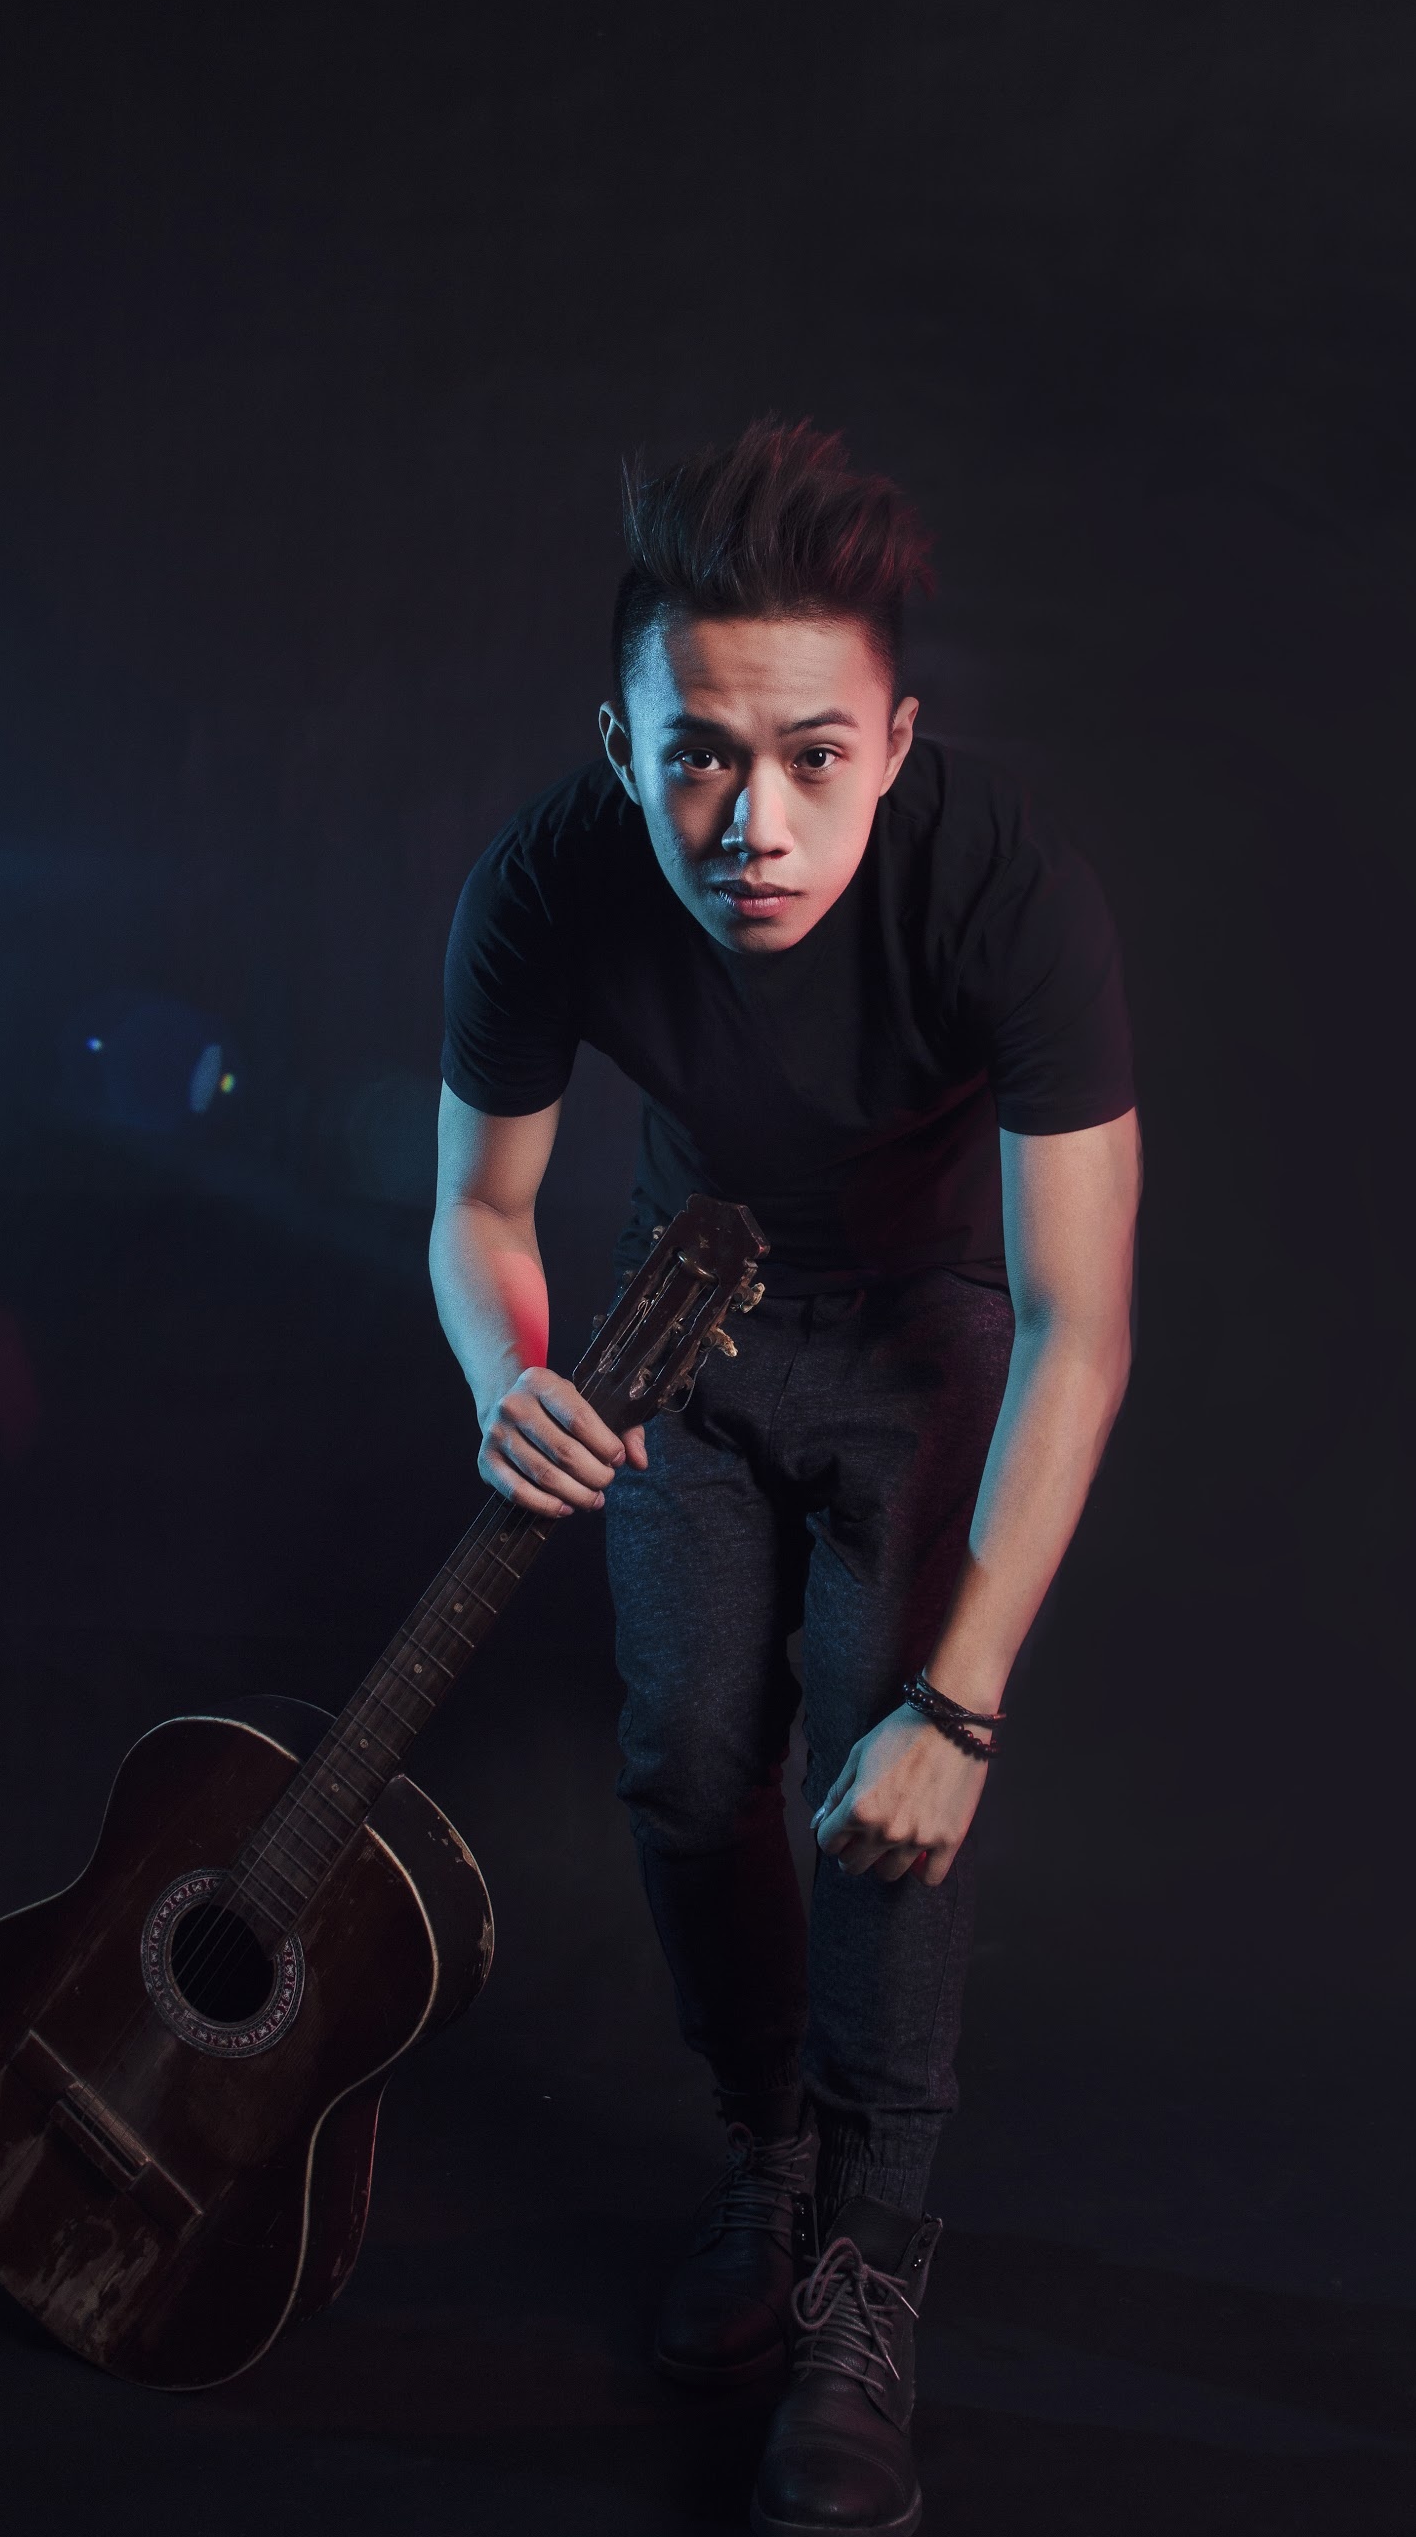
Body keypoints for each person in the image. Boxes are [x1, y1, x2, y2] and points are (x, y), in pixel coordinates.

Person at [430, 419, 1139, 2537]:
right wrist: (507, 1373)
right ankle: (770, 2162)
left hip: (930, 1338)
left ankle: (864, 2279)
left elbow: (1081, 1322)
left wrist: (961, 1704)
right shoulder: (546, 878)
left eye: (816, 756)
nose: (754, 823)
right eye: (699, 759)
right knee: (676, 1762)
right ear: (620, 744)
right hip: (688, 1322)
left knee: (878, 1784)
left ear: (895, 740)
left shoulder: (1004, 887)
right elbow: (477, 1206)